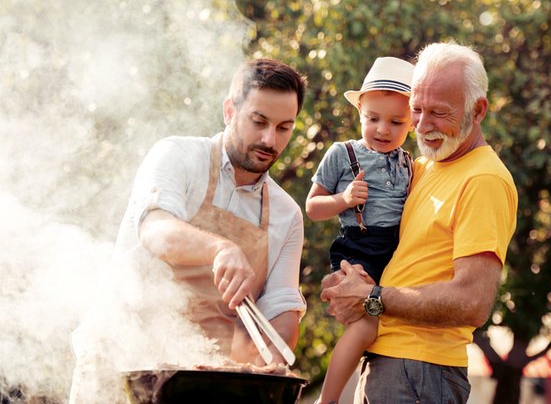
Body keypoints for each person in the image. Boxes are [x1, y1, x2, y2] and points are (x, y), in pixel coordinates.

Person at [68, 58, 308, 403]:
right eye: (259, 121)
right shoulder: (177, 155)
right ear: (230, 110)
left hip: (203, 379)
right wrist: (221, 249)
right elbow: (155, 230)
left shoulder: (287, 215)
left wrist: (272, 355)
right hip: (121, 356)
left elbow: (281, 308)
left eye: (284, 127)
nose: (270, 139)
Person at [320, 41, 518, 403]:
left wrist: (372, 298)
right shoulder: (422, 165)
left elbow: (472, 300)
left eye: (439, 112)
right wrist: (348, 281)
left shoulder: (484, 179)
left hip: (422, 371)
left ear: (478, 110)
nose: (423, 126)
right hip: (387, 362)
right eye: (416, 110)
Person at [306, 57, 415, 404]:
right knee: (365, 326)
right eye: (373, 119)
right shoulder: (343, 153)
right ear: (359, 115)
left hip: (393, 253)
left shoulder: (408, 162)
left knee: (387, 323)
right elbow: (312, 207)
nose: (383, 129)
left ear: (412, 122)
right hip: (358, 249)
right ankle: (329, 399)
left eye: (396, 121)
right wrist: (343, 197)